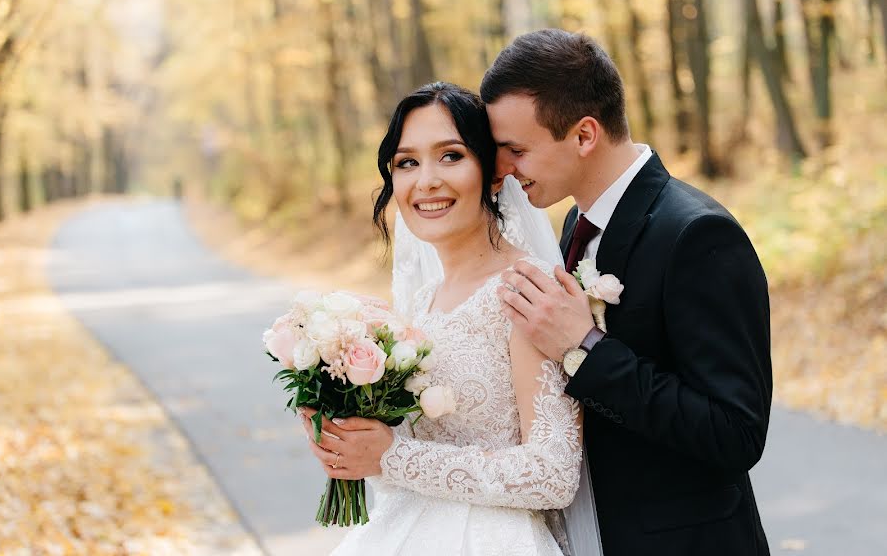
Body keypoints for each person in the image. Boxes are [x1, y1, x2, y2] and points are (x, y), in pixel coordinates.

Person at [488, 29, 772, 556]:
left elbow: (736, 434)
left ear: (584, 135)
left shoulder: (698, 234)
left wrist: (585, 346)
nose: (504, 169)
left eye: (517, 150)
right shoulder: (575, 223)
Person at [299, 82, 594, 555]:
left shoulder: (527, 290)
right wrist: (349, 441)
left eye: (451, 156)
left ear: (494, 173)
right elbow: (402, 461)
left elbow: (553, 474)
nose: (427, 180)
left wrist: (392, 456)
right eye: (407, 162)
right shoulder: (417, 305)